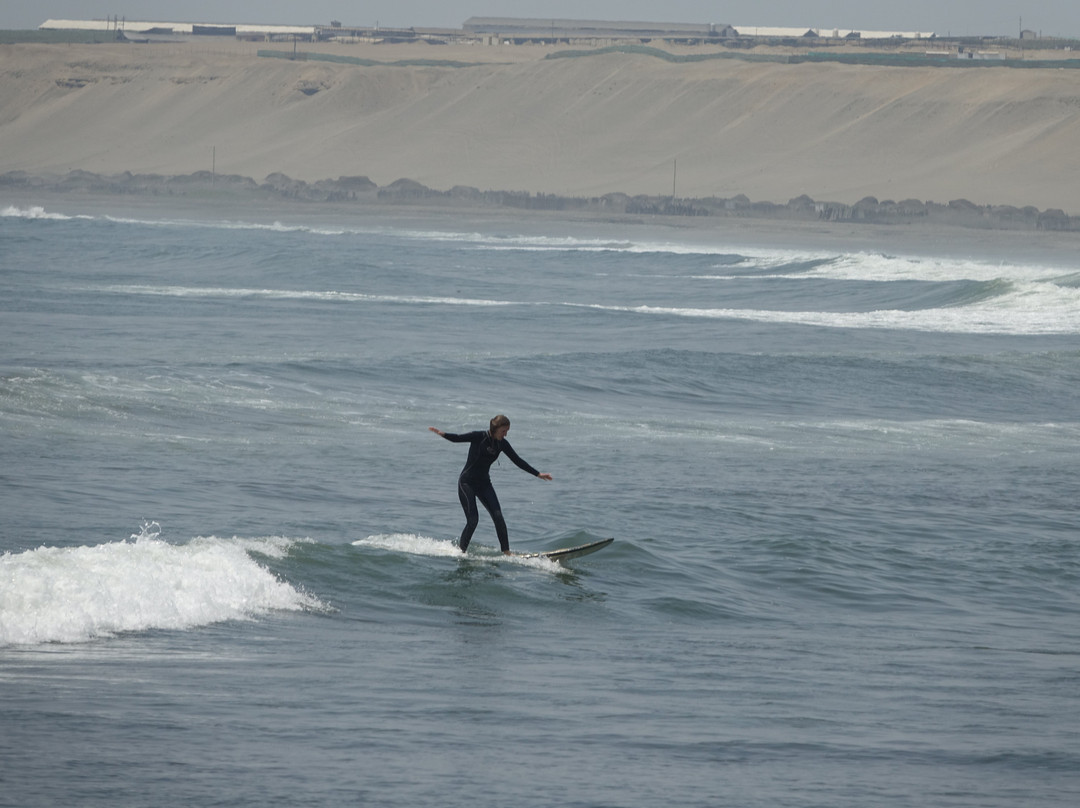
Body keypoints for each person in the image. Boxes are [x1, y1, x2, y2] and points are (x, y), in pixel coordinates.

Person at [429, 415, 552, 554]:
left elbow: (517, 460)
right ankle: (460, 552)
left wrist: (538, 474)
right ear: (496, 428)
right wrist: (442, 434)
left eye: (507, 431)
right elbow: (457, 438)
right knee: (473, 520)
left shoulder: (502, 444)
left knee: (498, 516)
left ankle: (506, 552)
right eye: (504, 431)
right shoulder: (478, 436)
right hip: (466, 483)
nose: (505, 434)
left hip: (484, 484)